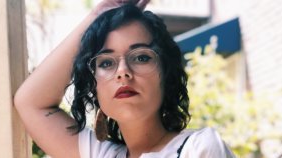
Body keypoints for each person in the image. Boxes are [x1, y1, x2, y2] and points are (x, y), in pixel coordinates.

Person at [14, 0, 235, 158]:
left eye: (140, 57)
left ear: (165, 75)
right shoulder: (100, 154)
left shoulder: (198, 149)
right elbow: (30, 102)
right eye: (106, 62)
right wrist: (97, 16)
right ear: (95, 87)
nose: (122, 71)